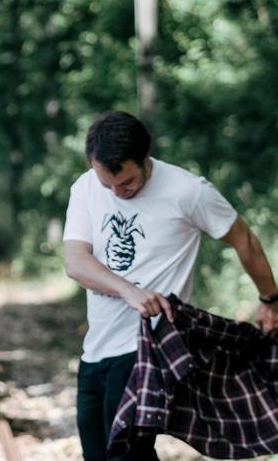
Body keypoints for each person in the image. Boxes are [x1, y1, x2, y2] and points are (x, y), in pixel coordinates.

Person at [62, 110, 278, 461]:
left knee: (127, 454)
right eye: (108, 184)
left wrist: (270, 298)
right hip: (96, 350)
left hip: (147, 348)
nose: (118, 192)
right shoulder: (86, 186)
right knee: (97, 454)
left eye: (127, 182)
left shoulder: (188, 191)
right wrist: (129, 290)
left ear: (145, 159)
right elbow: (75, 262)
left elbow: (245, 241)